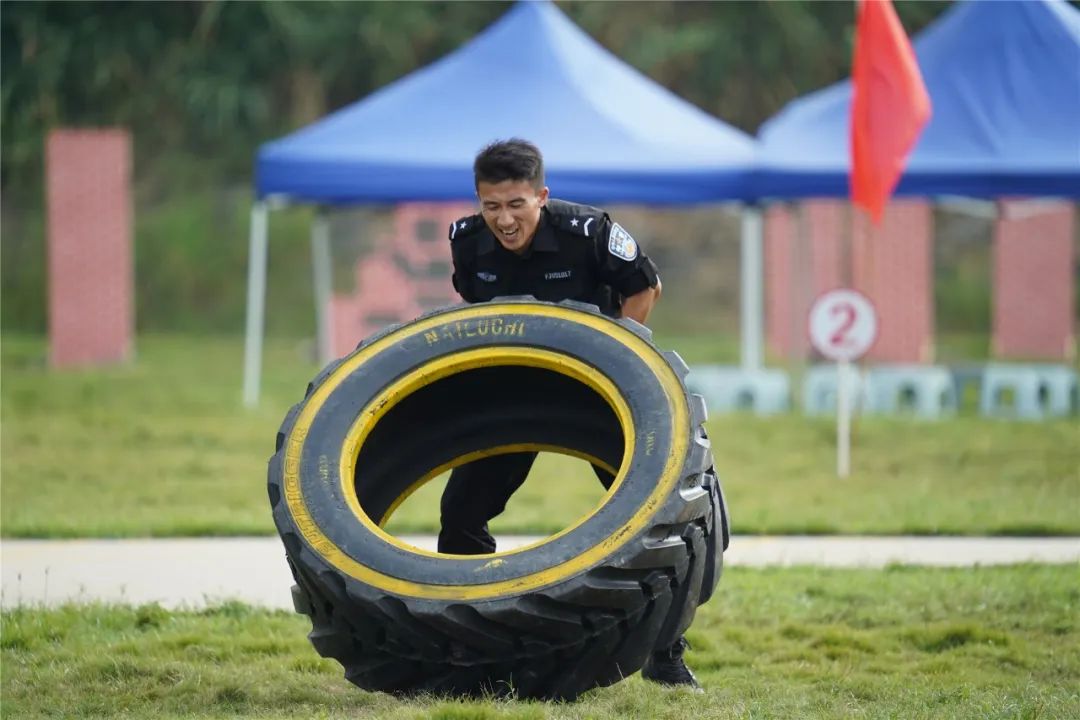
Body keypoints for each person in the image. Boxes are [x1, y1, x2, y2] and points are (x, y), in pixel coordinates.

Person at [439, 138, 702, 691]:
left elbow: (645, 288)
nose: (504, 220)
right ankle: (472, 649)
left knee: (653, 520)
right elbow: (474, 310)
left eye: (517, 204)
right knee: (460, 513)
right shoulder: (466, 240)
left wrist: (619, 361)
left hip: (598, 392)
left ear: (542, 196)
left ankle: (666, 654)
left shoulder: (589, 232)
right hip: (518, 392)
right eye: (491, 206)